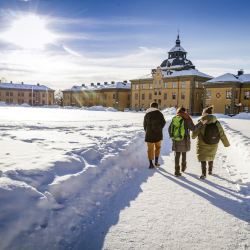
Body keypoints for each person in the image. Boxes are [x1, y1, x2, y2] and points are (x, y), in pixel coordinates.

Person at [192, 106, 230, 179]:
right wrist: (226, 143)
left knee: (203, 158)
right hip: (214, 143)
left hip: (202, 144)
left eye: (203, 113)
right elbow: (222, 133)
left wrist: (194, 134)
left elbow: (194, 134)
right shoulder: (216, 122)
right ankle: (210, 171)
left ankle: (203, 174)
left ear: (206, 113)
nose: (202, 114)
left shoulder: (202, 122)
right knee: (211, 156)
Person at [168, 107, 206, 176]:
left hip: (176, 139)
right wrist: (201, 123)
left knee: (177, 154)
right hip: (184, 139)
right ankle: (183, 167)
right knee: (184, 153)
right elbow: (193, 129)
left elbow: (169, 129)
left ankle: (176, 171)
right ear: (185, 112)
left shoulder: (175, 118)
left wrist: (173, 137)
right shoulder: (187, 118)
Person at [143, 102, 166, 169]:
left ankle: (151, 164)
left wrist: (147, 131)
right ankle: (156, 162)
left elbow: (144, 125)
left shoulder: (147, 114)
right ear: (157, 107)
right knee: (158, 148)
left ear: (150, 107)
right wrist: (159, 128)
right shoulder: (159, 113)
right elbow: (163, 122)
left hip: (149, 134)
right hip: (158, 134)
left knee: (150, 149)